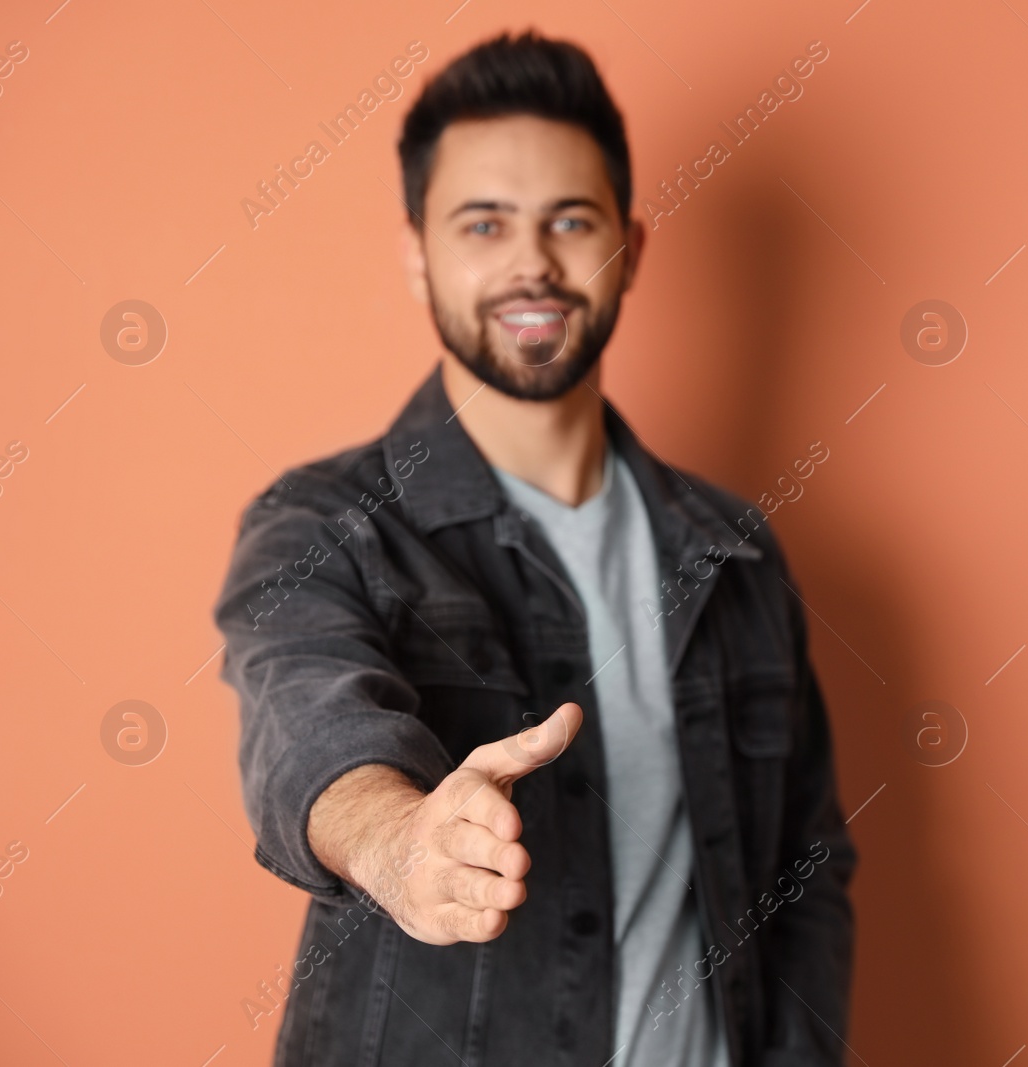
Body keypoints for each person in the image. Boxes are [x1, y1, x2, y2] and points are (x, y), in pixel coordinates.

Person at [212, 29, 856, 1067]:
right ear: (419, 252)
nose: (531, 263)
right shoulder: (320, 522)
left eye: (569, 220)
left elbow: (806, 866)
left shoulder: (739, 553)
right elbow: (306, 724)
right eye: (483, 223)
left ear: (629, 249)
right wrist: (395, 840)